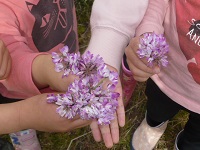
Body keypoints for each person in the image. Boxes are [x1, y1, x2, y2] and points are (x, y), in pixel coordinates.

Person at [0, 0, 149, 149]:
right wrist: (21, 116)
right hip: (13, 92)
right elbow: (7, 61)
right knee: (15, 102)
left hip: (62, 52)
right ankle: (22, 132)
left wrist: (50, 68)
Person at [124, 0, 200, 149]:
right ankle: (154, 125)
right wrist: (148, 35)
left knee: (195, 139)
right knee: (157, 110)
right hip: (167, 78)